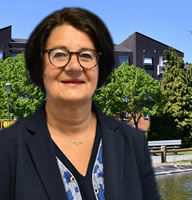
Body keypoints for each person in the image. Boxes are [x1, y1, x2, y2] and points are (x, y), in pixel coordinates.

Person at [0, 7, 160, 200]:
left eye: (86, 55)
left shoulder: (133, 144)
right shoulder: (8, 149)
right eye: (59, 54)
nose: (74, 66)